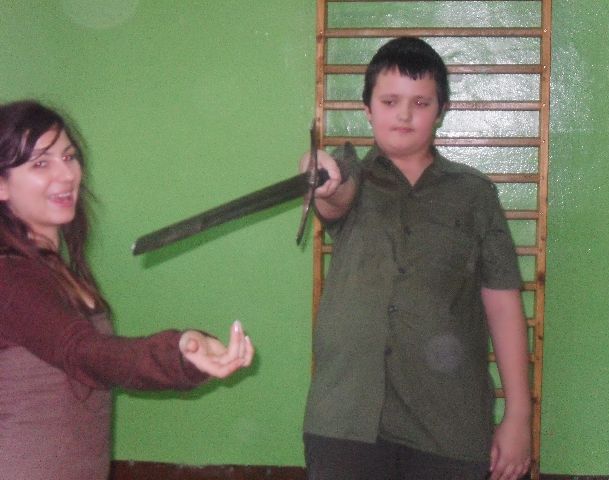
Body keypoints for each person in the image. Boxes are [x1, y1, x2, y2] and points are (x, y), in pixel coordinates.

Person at [300, 37, 531, 480]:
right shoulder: (351, 177)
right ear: (368, 109)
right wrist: (320, 177)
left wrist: (518, 416)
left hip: (449, 423)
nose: (404, 114)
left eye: (420, 102)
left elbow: (503, 306)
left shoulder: (475, 195)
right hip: (345, 421)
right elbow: (334, 194)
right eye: (389, 101)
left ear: (441, 110)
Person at [0, 100, 254, 479]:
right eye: (40, 163)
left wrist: (184, 348)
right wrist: (176, 352)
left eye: (68, 157)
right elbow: (86, 353)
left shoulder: (54, 268)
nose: (66, 174)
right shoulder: (10, 276)